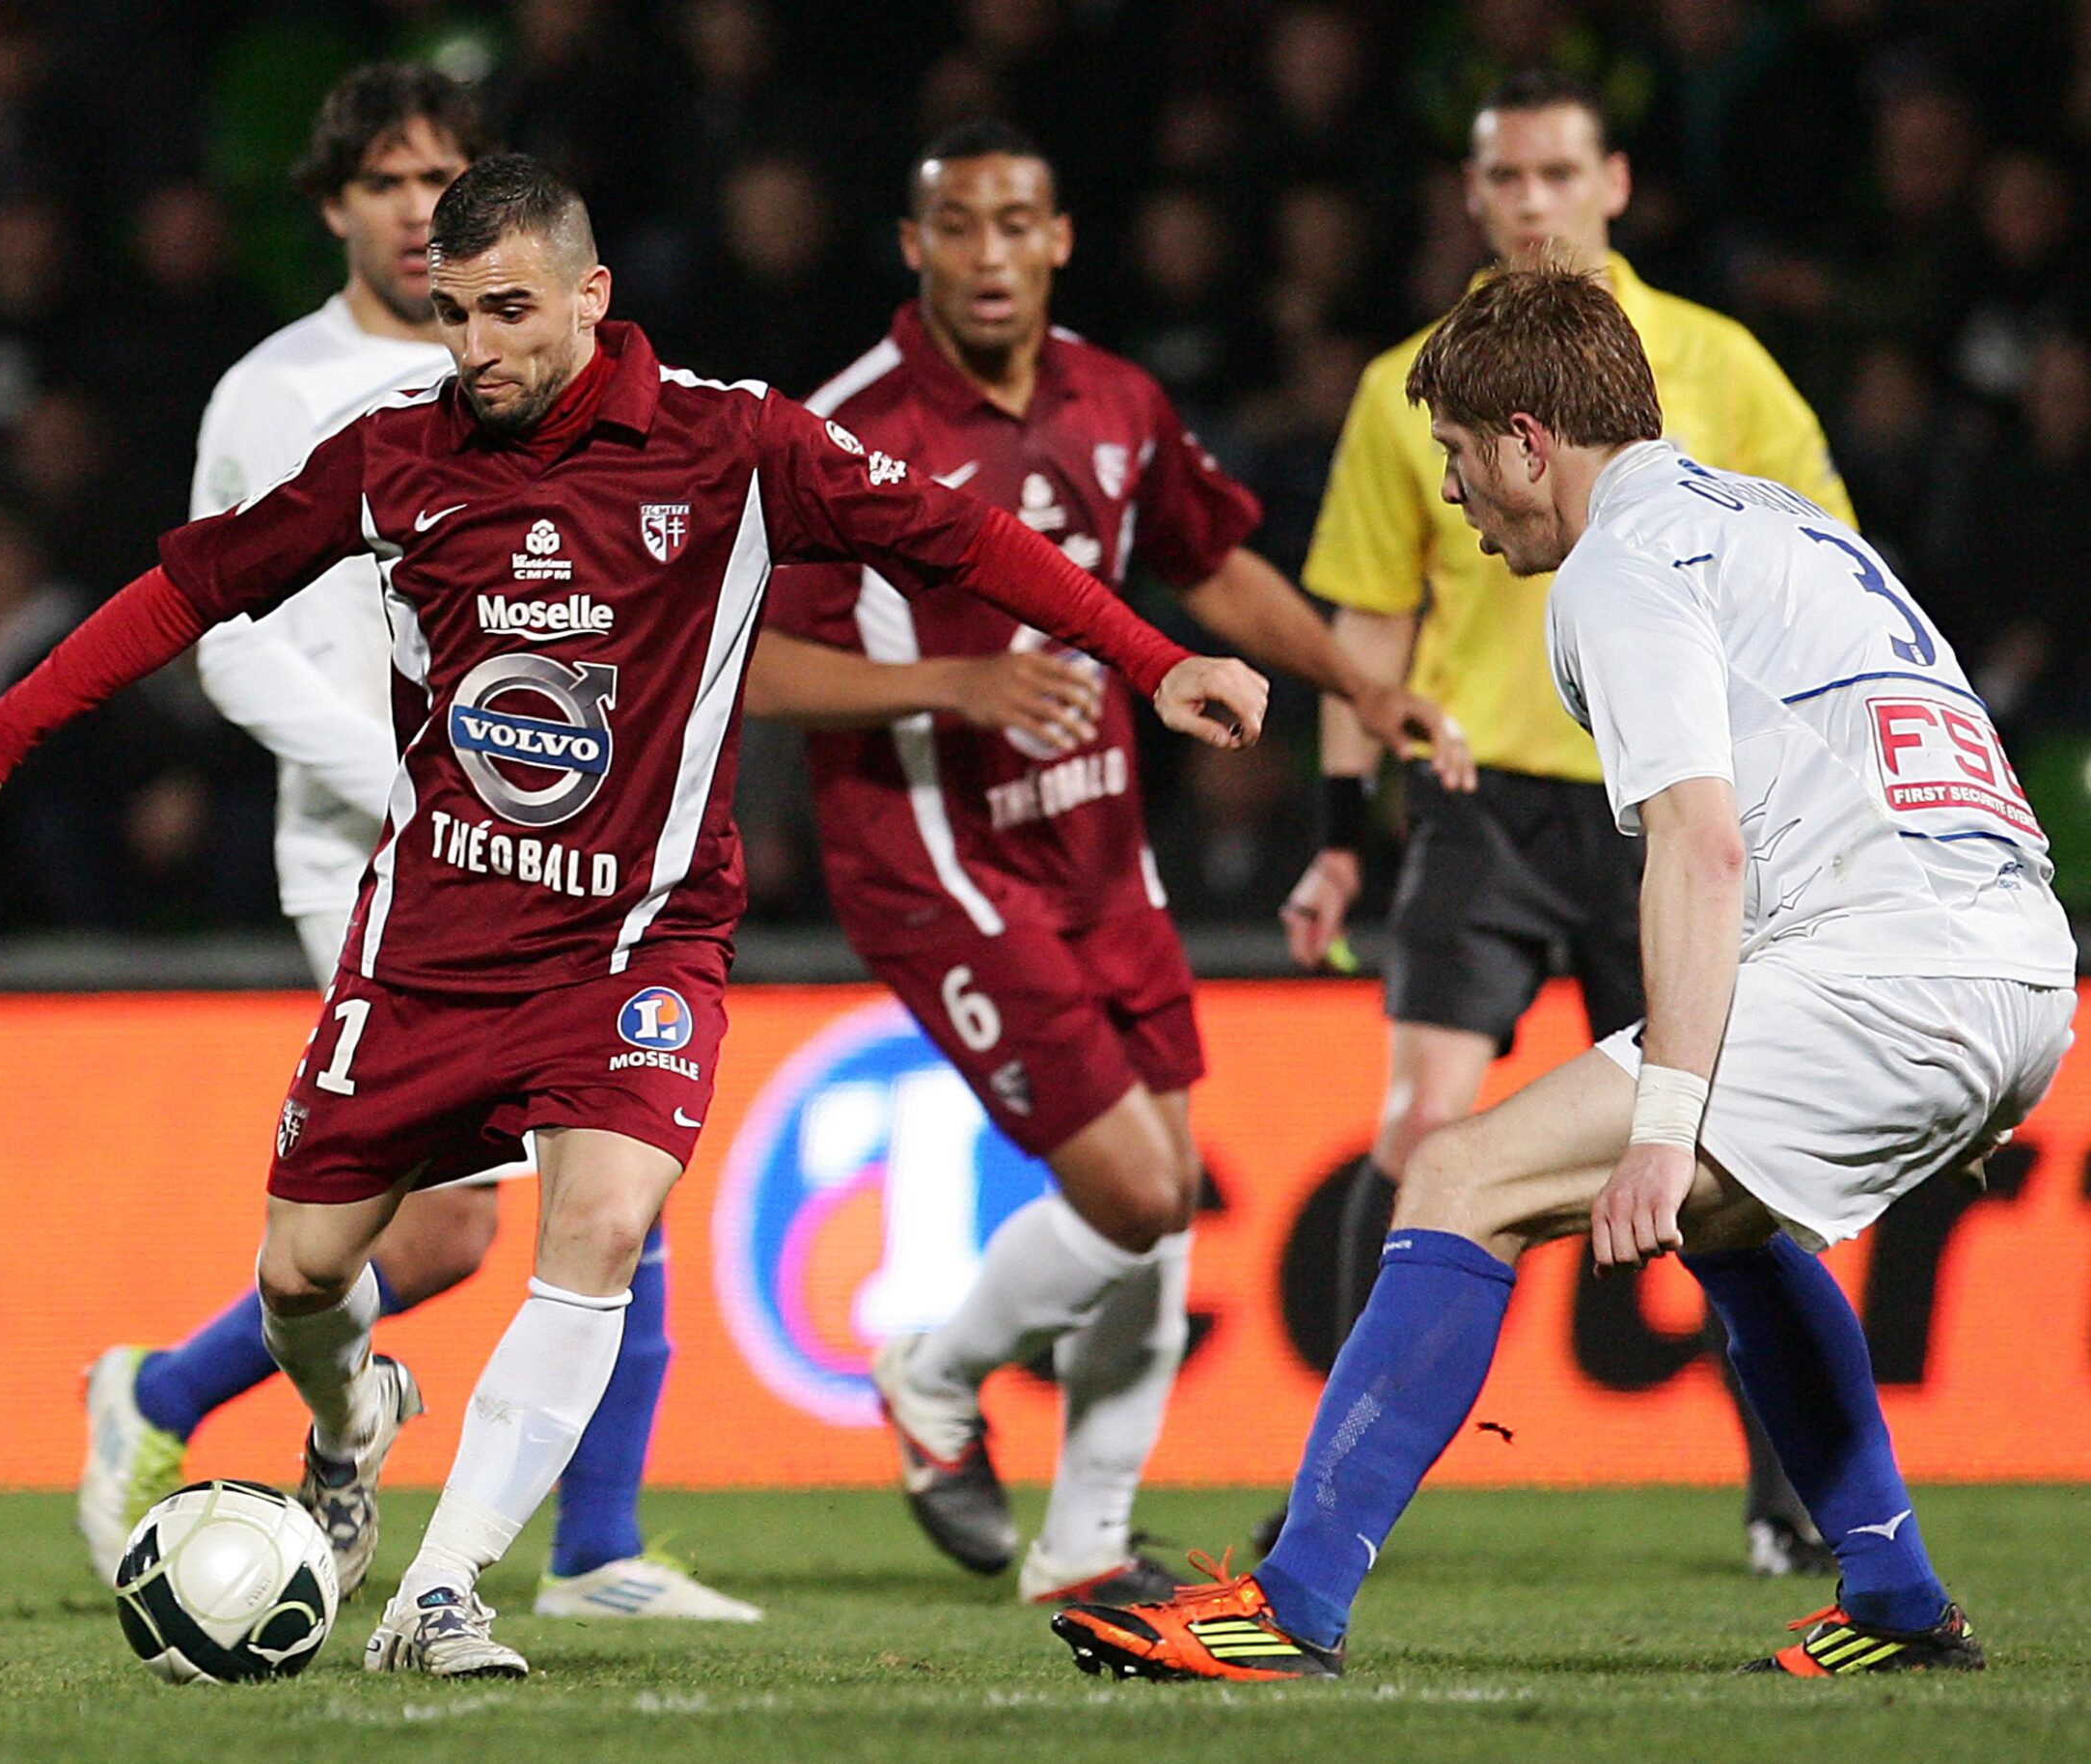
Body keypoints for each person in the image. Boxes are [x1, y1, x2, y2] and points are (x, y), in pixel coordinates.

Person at [0, 153, 1269, 1681]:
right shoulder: (389, 461)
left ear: (590, 295)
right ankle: (353, 1430)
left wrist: (1155, 663)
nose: (475, 347)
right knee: (303, 1274)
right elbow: (190, 590)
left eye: (507, 310)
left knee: (601, 1228)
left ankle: (441, 1593)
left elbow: (965, 540)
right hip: (430, 946)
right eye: (451, 314)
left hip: (639, 944)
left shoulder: (733, 445)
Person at [1054, 264, 2074, 1682]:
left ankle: (1285, 1610)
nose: (1458, 498)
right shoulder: (1777, 521)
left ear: (1533, 439)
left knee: (1461, 1178)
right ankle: (1896, 1599)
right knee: (1733, 1231)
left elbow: (1700, 850)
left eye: (1464, 459)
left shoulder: (1622, 564)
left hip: (1889, 970)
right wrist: (1983, 1054)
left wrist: (1663, 1130)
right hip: (2021, 958)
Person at [71, 64, 757, 1626]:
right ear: (336, 206)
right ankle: (181, 1385)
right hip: (370, 848)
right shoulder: (277, 389)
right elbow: (220, 627)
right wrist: (404, 777)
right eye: (387, 182)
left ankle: (593, 1543)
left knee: (600, 1161)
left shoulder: (554, 388)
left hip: (531, 852)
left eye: (442, 178)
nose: (415, 208)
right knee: (451, 1220)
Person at [751, 121, 1468, 1608]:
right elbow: (748, 662)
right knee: (1137, 1194)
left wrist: (1354, 682)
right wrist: (959, 690)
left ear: (1062, 238)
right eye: (959, 226)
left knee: (1168, 1185)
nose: (991, 253)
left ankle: (1081, 1545)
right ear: (913, 248)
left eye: (1018, 222)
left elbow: (1210, 566)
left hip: (1100, 839)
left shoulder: (1119, 401)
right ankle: (932, 1376)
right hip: (936, 854)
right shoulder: (850, 427)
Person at [1274, 69, 1854, 1573]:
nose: (1528, 202)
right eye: (1502, 180)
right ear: (1473, 198)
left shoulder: (1717, 364)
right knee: (1418, 1134)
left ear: (1613, 187)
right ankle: (1330, 1488)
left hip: (1672, 810)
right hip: (1483, 806)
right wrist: (1344, 829)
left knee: (1723, 1174)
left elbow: (1828, 571)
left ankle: (1794, 1502)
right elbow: (1368, 622)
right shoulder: (1416, 383)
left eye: (1553, 175)